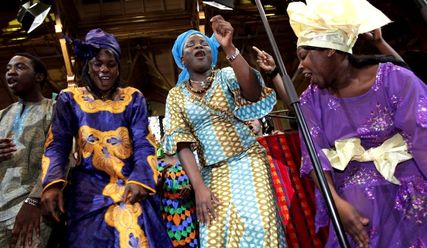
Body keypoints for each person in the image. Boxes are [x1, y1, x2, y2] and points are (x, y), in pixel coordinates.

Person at [279, 0, 426, 247]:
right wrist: (337, 205)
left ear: (330, 49)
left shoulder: (395, 79)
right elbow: (314, 159)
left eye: (304, 56)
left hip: (411, 204)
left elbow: (423, 137)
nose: (302, 65)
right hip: (355, 217)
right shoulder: (310, 99)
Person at [40, 28, 171, 247]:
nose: (104, 70)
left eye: (111, 65)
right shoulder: (69, 98)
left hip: (130, 184)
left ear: (118, 68)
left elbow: (143, 142)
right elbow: (57, 144)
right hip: (87, 191)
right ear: (87, 67)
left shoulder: (132, 97)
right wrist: (52, 185)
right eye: (97, 64)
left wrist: (140, 179)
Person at [163, 15, 286, 247]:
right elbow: (182, 143)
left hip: (247, 160)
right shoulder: (176, 96)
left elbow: (252, 93)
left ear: (212, 52)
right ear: (181, 59)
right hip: (210, 173)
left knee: (259, 227)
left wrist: (229, 48)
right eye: (191, 44)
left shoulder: (226, 75)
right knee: (216, 237)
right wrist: (199, 187)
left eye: (203, 44)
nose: (199, 46)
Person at [0, 53, 53, 248]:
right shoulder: (2, 115)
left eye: (20, 67)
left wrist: (34, 201)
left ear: (39, 76)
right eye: (8, 69)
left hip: (32, 211)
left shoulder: (55, 110)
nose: (11, 73)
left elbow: (62, 160)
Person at [156, 149, 199, 248]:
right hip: (166, 215)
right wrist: (162, 178)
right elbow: (152, 191)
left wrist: (190, 187)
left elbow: (199, 184)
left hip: (188, 215)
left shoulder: (188, 162)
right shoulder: (155, 164)